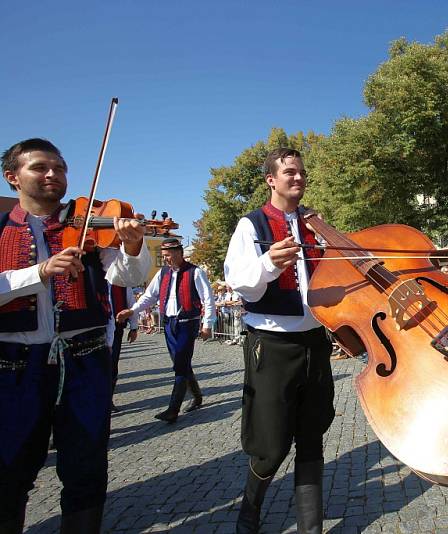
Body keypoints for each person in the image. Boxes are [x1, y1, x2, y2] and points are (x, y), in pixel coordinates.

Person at [0, 138, 150, 532]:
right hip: (13, 364)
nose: (53, 174)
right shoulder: (0, 228)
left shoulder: (88, 226)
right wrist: (39, 273)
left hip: (84, 359)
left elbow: (129, 278)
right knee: (9, 468)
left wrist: (133, 245)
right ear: (12, 177)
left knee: (86, 467)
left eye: (60, 168)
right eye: (40, 168)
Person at [224, 147, 334, 534]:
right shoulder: (250, 224)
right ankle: (248, 514)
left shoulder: (317, 224)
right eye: (290, 172)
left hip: (315, 340)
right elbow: (240, 281)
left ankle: (311, 528)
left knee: (312, 432)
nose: (299, 178)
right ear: (271, 179)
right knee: (270, 444)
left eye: (302, 172)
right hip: (271, 344)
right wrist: (270, 262)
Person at [116, 238, 214, 423]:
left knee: (180, 364)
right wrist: (133, 310)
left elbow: (208, 299)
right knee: (181, 362)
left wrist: (207, 324)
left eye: (168, 255)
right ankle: (197, 395)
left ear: (178, 253)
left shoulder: (195, 272)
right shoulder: (162, 273)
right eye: (163, 255)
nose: (165, 259)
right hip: (169, 323)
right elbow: (149, 296)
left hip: (187, 322)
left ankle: (173, 409)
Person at [107, 284, 139, 412]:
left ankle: (108, 398)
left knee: (113, 364)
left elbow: (131, 305)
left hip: (117, 327)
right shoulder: (97, 276)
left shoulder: (123, 282)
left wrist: (134, 327)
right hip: (98, 328)